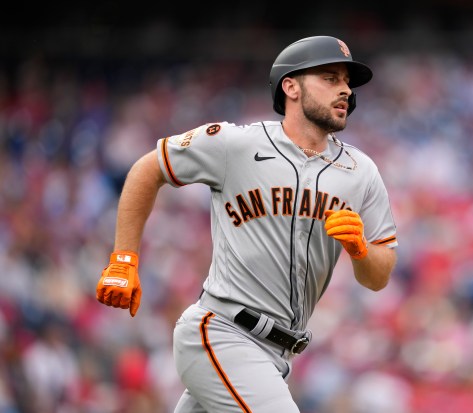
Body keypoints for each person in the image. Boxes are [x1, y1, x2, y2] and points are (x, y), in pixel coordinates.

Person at [96, 35, 398, 413]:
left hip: (278, 355)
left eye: (347, 82)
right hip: (223, 332)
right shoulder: (235, 144)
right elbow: (148, 168)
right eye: (330, 77)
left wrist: (360, 251)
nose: (345, 90)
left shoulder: (361, 171)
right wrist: (124, 258)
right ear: (291, 86)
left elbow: (379, 276)